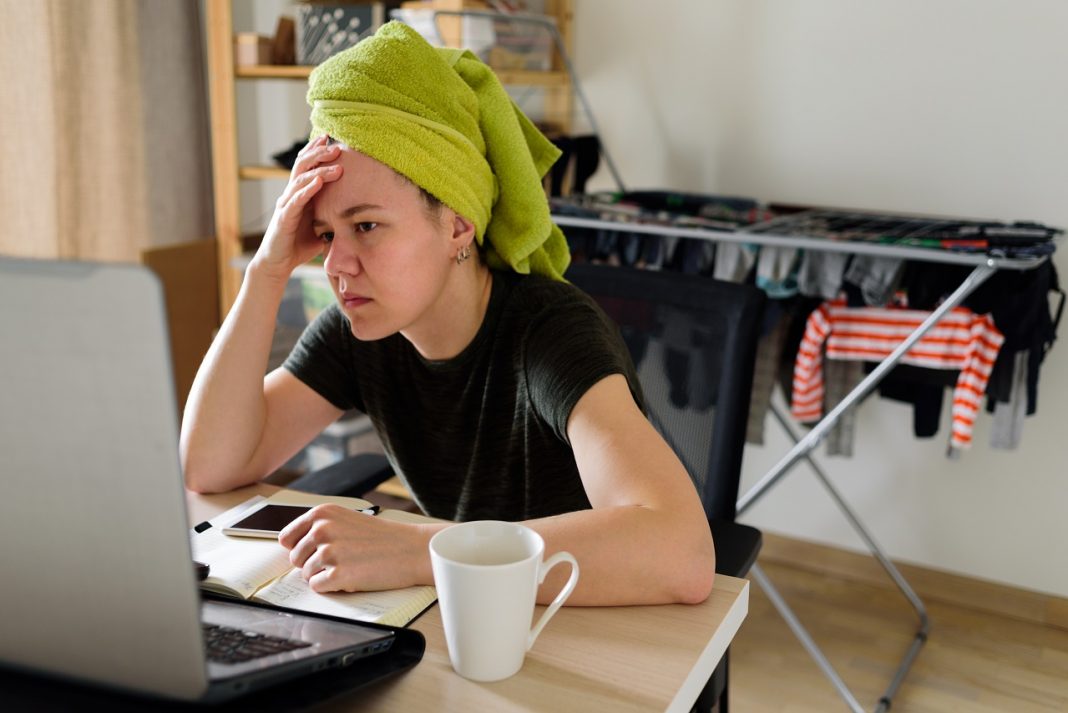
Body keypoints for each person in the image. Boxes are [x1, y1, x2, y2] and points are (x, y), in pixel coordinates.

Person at [180, 21, 714, 606]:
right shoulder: (360, 327)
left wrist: (417, 550)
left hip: (576, 619)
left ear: (458, 223)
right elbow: (210, 467)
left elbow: (681, 551)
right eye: (326, 232)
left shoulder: (551, 332)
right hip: (462, 610)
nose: (338, 263)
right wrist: (266, 272)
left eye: (366, 226)